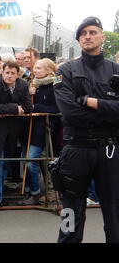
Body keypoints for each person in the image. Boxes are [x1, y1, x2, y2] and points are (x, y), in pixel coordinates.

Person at [53, 16, 119, 243]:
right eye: (83, 34)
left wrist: (94, 102)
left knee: (114, 210)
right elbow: (69, 112)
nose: (87, 36)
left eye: (92, 32)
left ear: (102, 36)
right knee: (70, 210)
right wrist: (110, 112)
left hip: (109, 151)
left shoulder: (115, 70)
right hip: (76, 149)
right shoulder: (66, 70)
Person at [0, 61, 32, 207]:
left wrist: (7, 109)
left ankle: (1, 190)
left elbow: (28, 107)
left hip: (14, 129)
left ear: (18, 74)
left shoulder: (23, 85)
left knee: (7, 161)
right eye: (7, 72)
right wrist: (14, 108)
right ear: (2, 72)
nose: (9, 76)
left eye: (12, 73)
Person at [17, 58, 59, 206]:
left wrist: (35, 106)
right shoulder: (32, 85)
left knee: (30, 161)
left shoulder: (55, 87)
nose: (36, 70)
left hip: (41, 131)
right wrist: (28, 95)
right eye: (35, 67)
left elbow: (56, 109)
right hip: (27, 128)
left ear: (49, 70)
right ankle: (28, 190)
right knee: (24, 161)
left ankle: (35, 193)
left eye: (40, 68)